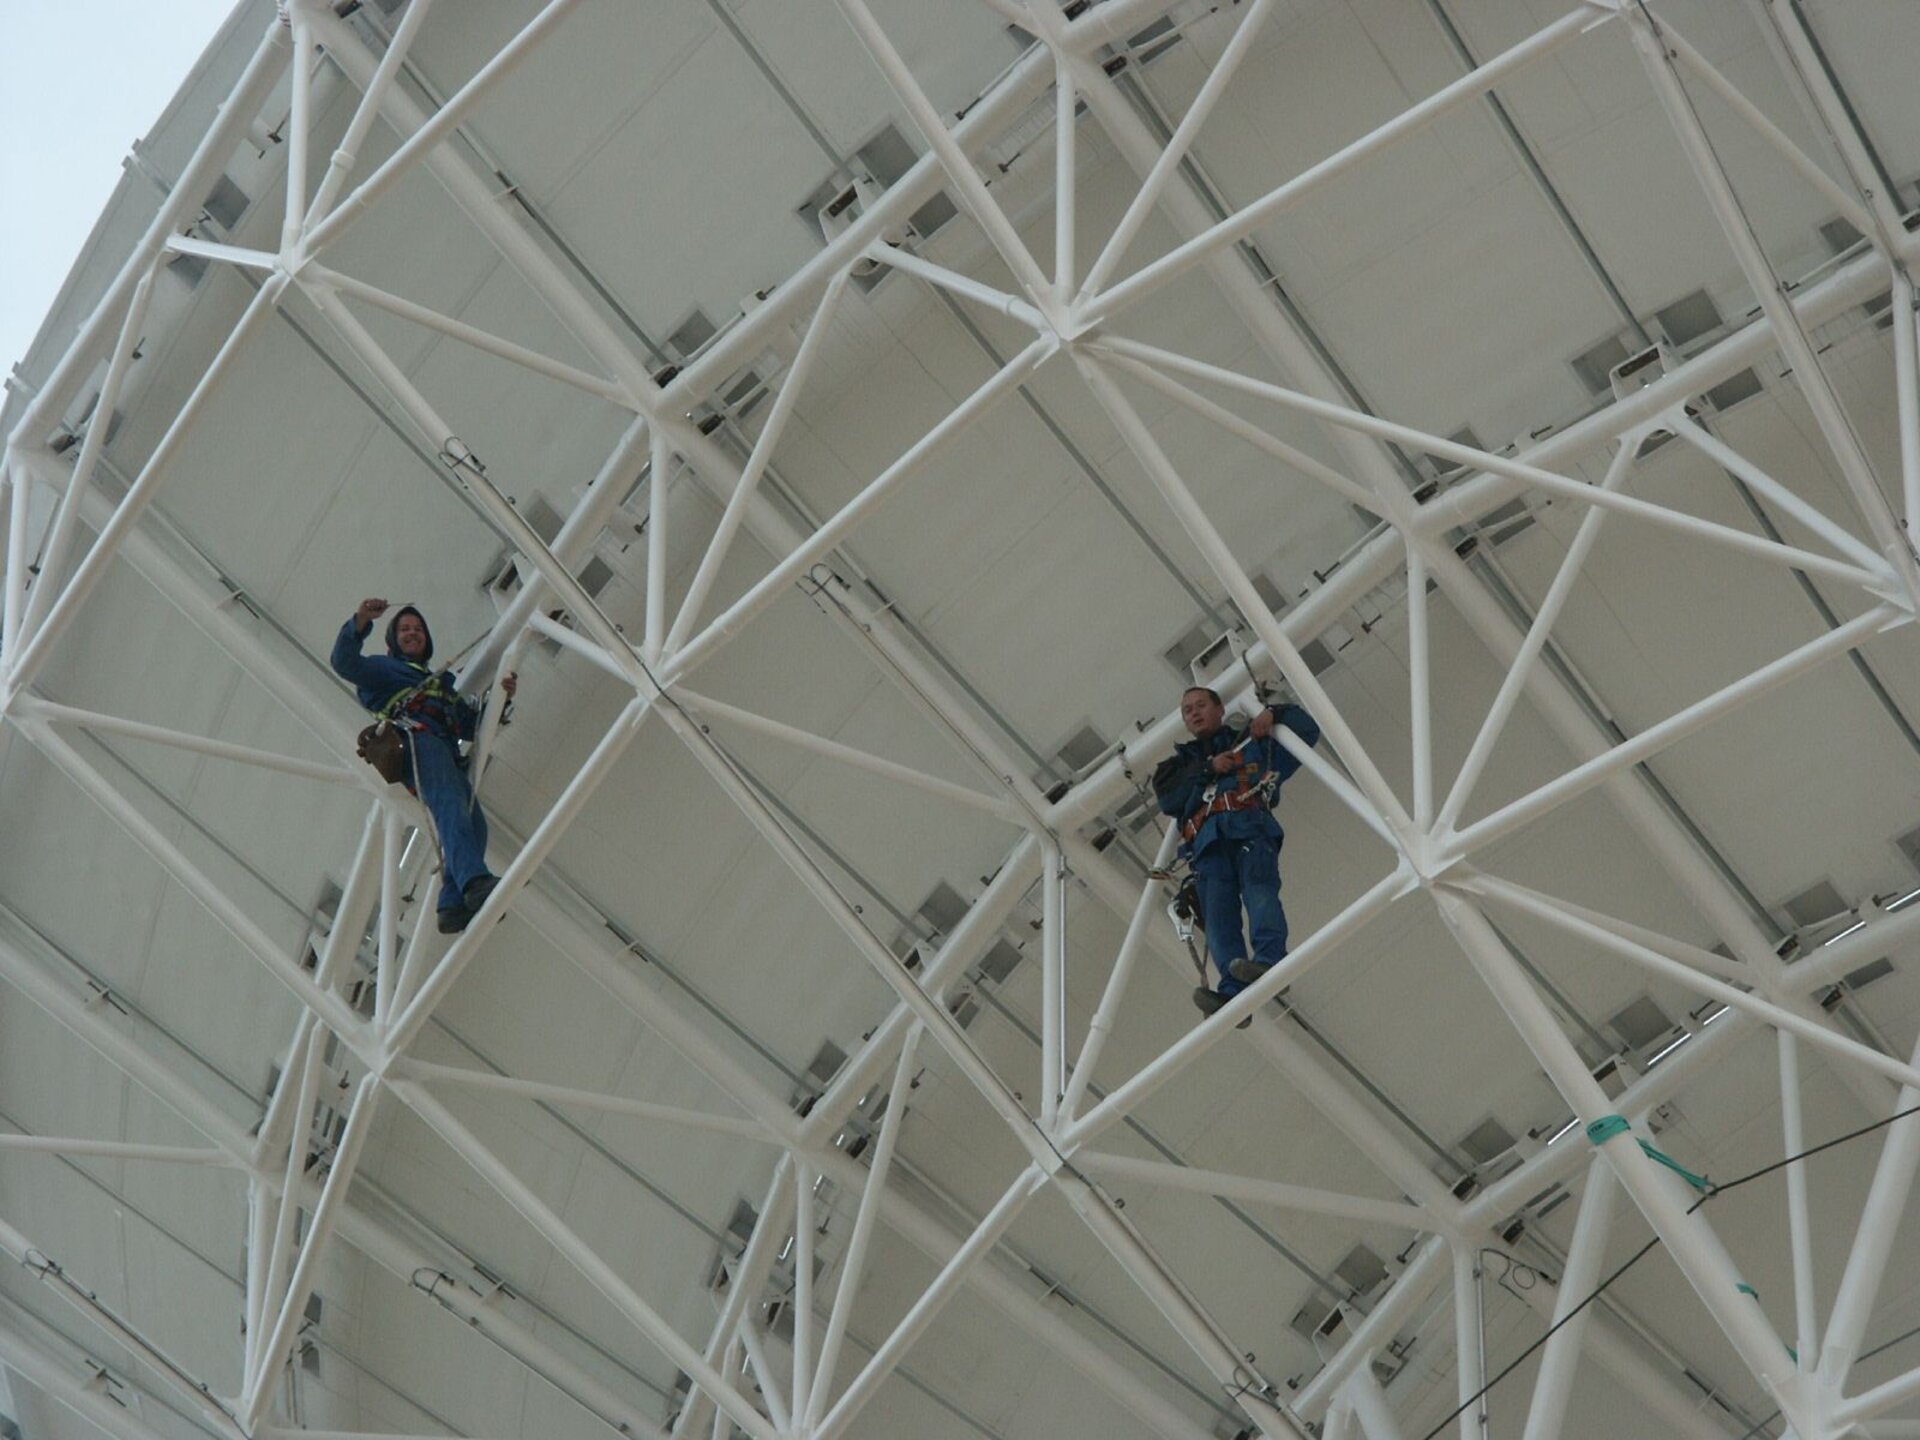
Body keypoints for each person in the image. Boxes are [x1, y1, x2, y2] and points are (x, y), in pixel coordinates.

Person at [331, 598, 516, 934]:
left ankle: (452, 905)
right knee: (449, 807)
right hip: (418, 744)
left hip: (442, 752)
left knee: (475, 825)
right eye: (404, 629)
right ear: (392, 641)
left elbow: (467, 725)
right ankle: (474, 882)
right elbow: (344, 662)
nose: (412, 633)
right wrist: (360, 621)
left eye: (417, 629)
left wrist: (502, 698)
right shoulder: (382, 669)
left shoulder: (439, 685)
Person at [1153, 686, 1320, 1020]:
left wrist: (1276, 714)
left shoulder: (1252, 745)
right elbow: (1170, 800)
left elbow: (1306, 731)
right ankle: (1232, 992)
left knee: (1260, 895)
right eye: (1188, 710)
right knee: (1218, 922)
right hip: (1207, 848)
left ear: (1220, 709)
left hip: (1249, 830)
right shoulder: (1175, 769)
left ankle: (1270, 962)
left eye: (1201, 705)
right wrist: (1208, 769)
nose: (1194, 713)